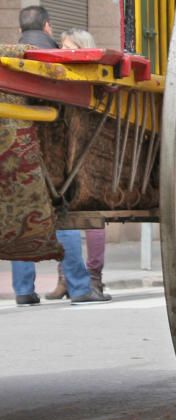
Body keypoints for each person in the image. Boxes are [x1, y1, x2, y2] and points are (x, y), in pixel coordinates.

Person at [10, 9, 110, 306]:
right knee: (62, 215)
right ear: (47, 26)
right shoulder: (55, 57)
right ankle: (79, 286)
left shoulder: (9, 56)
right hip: (51, 152)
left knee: (21, 217)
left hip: (13, 153)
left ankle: (24, 290)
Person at [45, 28, 108, 300]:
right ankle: (68, 278)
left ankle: (92, 279)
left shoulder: (94, 74)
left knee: (91, 215)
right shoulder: (55, 73)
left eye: (70, 48)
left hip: (90, 150)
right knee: (64, 213)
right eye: (62, 47)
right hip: (64, 148)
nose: (64, 52)